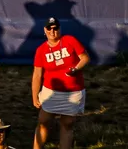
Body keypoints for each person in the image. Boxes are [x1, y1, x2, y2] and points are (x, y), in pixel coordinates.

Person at [29, 21, 87, 149]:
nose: (52, 31)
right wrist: (34, 96)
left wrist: (76, 69)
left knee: (67, 123)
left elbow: (85, 58)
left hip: (73, 91)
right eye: (49, 28)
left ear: (59, 29)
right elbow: (37, 75)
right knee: (43, 121)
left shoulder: (70, 40)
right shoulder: (41, 50)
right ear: (44, 30)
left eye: (55, 28)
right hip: (51, 92)